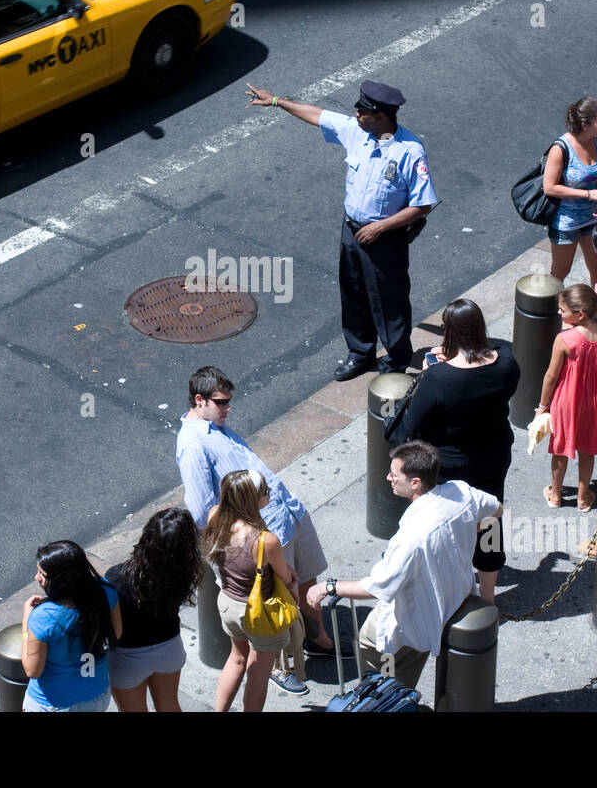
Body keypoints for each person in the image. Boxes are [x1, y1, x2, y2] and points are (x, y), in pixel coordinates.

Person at [245, 80, 436, 380]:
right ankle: (360, 354)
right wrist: (276, 101)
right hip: (352, 232)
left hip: (385, 238)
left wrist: (381, 227)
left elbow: (422, 204)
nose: (357, 115)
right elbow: (317, 115)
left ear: (382, 115)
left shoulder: (409, 151)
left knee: (389, 301)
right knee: (354, 293)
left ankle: (396, 362)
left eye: (363, 111)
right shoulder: (356, 132)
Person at [307, 441, 502, 690]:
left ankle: (385, 698)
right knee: (404, 672)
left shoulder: (410, 538)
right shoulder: (460, 492)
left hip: (416, 617)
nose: (388, 477)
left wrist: (328, 587)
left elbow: (379, 587)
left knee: (371, 648)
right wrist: (464, 532)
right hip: (455, 597)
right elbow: (496, 510)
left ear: (415, 483)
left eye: (394, 474)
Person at [176, 365, 336, 657]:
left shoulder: (218, 426)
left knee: (308, 579)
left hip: (287, 512)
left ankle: (318, 639)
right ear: (200, 400)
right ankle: (279, 661)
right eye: (221, 402)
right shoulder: (192, 443)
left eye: (228, 401)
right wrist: (246, 534)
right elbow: (203, 510)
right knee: (277, 595)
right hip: (266, 528)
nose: (228, 408)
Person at [390, 299, 519, 602]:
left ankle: (451, 592)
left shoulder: (438, 377)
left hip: (450, 466)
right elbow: (498, 364)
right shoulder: (506, 363)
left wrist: (427, 372)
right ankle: (488, 598)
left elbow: (412, 426)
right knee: (489, 523)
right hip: (493, 455)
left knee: (446, 525)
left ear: (449, 332)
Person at [204, 469, 303, 712]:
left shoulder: (215, 516)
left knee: (236, 658)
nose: (268, 495)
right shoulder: (265, 541)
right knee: (258, 673)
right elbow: (285, 576)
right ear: (253, 500)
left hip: (227, 602)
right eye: (265, 493)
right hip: (259, 614)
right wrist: (293, 580)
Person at [104, 508, 202, 712]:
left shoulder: (116, 577)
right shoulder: (183, 574)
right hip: (169, 649)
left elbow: (112, 626)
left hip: (127, 658)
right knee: (169, 705)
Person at [21, 540, 122, 712]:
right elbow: (116, 633)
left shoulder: (44, 617)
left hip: (53, 703)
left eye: (42, 573)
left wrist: (26, 624)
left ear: (62, 580)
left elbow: (32, 670)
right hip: (96, 695)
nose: (36, 577)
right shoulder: (105, 591)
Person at [537, 284, 597, 512]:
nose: (559, 313)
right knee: (587, 449)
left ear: (579, 314)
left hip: (567, 401)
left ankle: (556, 494)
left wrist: (542, 405)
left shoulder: (565, 339)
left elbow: (551, 375)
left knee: (561, 447)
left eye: (562, 309)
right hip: (595, 401)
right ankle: (582, 497)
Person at [542, 96, 597, 284]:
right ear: (586, 124)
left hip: (592, 217)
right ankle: (551, 310)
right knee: (561, 271)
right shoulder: (561, 148)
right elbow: (549, 187)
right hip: (566, 222)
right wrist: (588, 194)